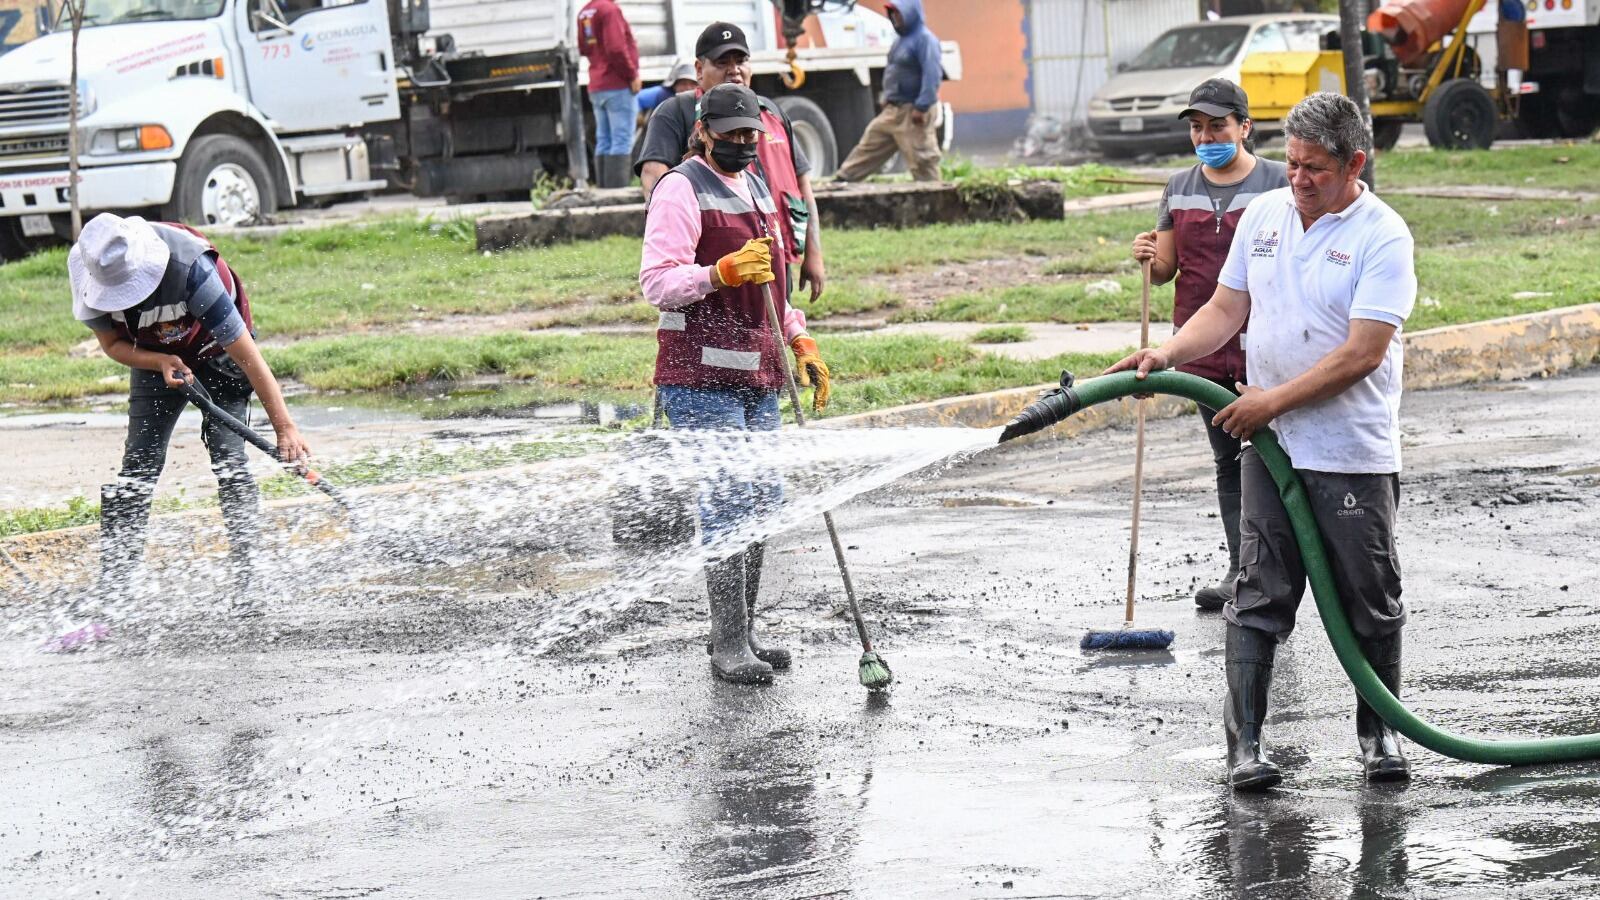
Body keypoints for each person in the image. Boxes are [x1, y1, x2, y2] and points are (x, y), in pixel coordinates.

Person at [1106, 92, 1417, 790]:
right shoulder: (1266, 215)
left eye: (1315, 169)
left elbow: (1363, 352)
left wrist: (1268, 400)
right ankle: (1245, 744)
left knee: (1369, 598)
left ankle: (1380, 735)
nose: (1299, 179)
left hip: (1349, 452)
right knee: (1257, 593)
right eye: (1295, 164)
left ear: (1354, 163)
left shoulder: (1383, 235)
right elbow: (1226, 308)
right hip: (1273, 448)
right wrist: (1168, 355)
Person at [639, 83, 832, 685]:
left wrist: (799, 336)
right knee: (727, 500)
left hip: (758, 369)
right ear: (704, 131)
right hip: (700, 376)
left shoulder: (755, 187)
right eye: (731, 134)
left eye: (751, 133)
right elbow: (656, 282)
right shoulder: (680, 189)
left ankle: (744, 631)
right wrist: (715, 273)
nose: (744, 143)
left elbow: (773, 283)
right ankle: (727, 644)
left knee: (762, 500)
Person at [69, 213, 310, 616]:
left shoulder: (190, 270)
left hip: (221, 357)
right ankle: (113, 593)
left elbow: (249, 358)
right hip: (154, 359)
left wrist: (285, 429)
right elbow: (112, 343)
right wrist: (158, 359)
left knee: (229, 459)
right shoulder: (91, 269)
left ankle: (248, 582)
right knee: (138, 467)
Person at [1130, 79, 1287, 612]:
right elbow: (1170, 268)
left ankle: (1284, 564)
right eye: (1197, 128)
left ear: (1245, 127)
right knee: (1228, 460)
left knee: (1271, 457)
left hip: (1262, 343)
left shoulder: (1278, 183)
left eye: (1217, 126)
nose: (1205, 136)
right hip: (1197, 344)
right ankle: (1242, 570)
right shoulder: (1178, 187)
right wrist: (1149, 255)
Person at [634, 22, 827, 303]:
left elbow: (802, 188)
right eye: (722, 62)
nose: (734, 69)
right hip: (713, 264)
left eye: (741, 60)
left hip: (771, 256)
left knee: (772, 330)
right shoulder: (678, 111)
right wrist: (676, 248)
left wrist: (814, 253)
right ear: (699, 69)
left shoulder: (771, 114)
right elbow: (653, 177)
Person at [832, 0, 944, 183]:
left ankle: (934, 197)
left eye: (899, 13)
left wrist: (922, 107)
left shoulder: (925, 40)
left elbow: (932, 75)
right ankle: (844, 180)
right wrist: (888, 96)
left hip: (912, 111)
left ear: (911, 13)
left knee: (922, 159)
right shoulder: (900, 40)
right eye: (893, 14)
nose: (895, 18)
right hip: (893, 110)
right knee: (871, 143)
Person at [577, 0, 641, 188]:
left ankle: (605, 192)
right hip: (617, 84)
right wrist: (631, 75)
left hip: (597, 84)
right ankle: (618, 192)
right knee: (621, 139)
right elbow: (615, 48)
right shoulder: (609, 10)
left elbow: (584, 47)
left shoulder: (584, 12)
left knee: (604, 139)